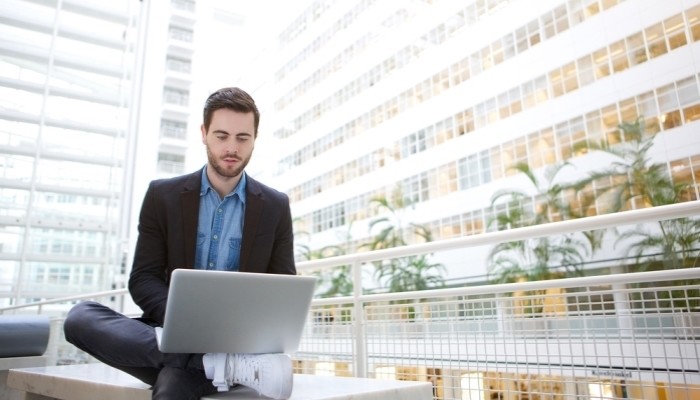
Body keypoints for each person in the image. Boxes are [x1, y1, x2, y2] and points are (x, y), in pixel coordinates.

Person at [63, 87, 296, 400]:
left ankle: (212, 362)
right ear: (203, 133)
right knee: (81, 318)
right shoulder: (163, 196)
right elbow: (143, 278)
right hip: (170, 331)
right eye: (221, 135)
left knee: (172, 386)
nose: (232, 147)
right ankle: (219, 365)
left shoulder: (275, 205)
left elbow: (282, 287)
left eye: (243, 138)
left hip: (238, 343)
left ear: (255, 138)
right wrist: (183, 325)